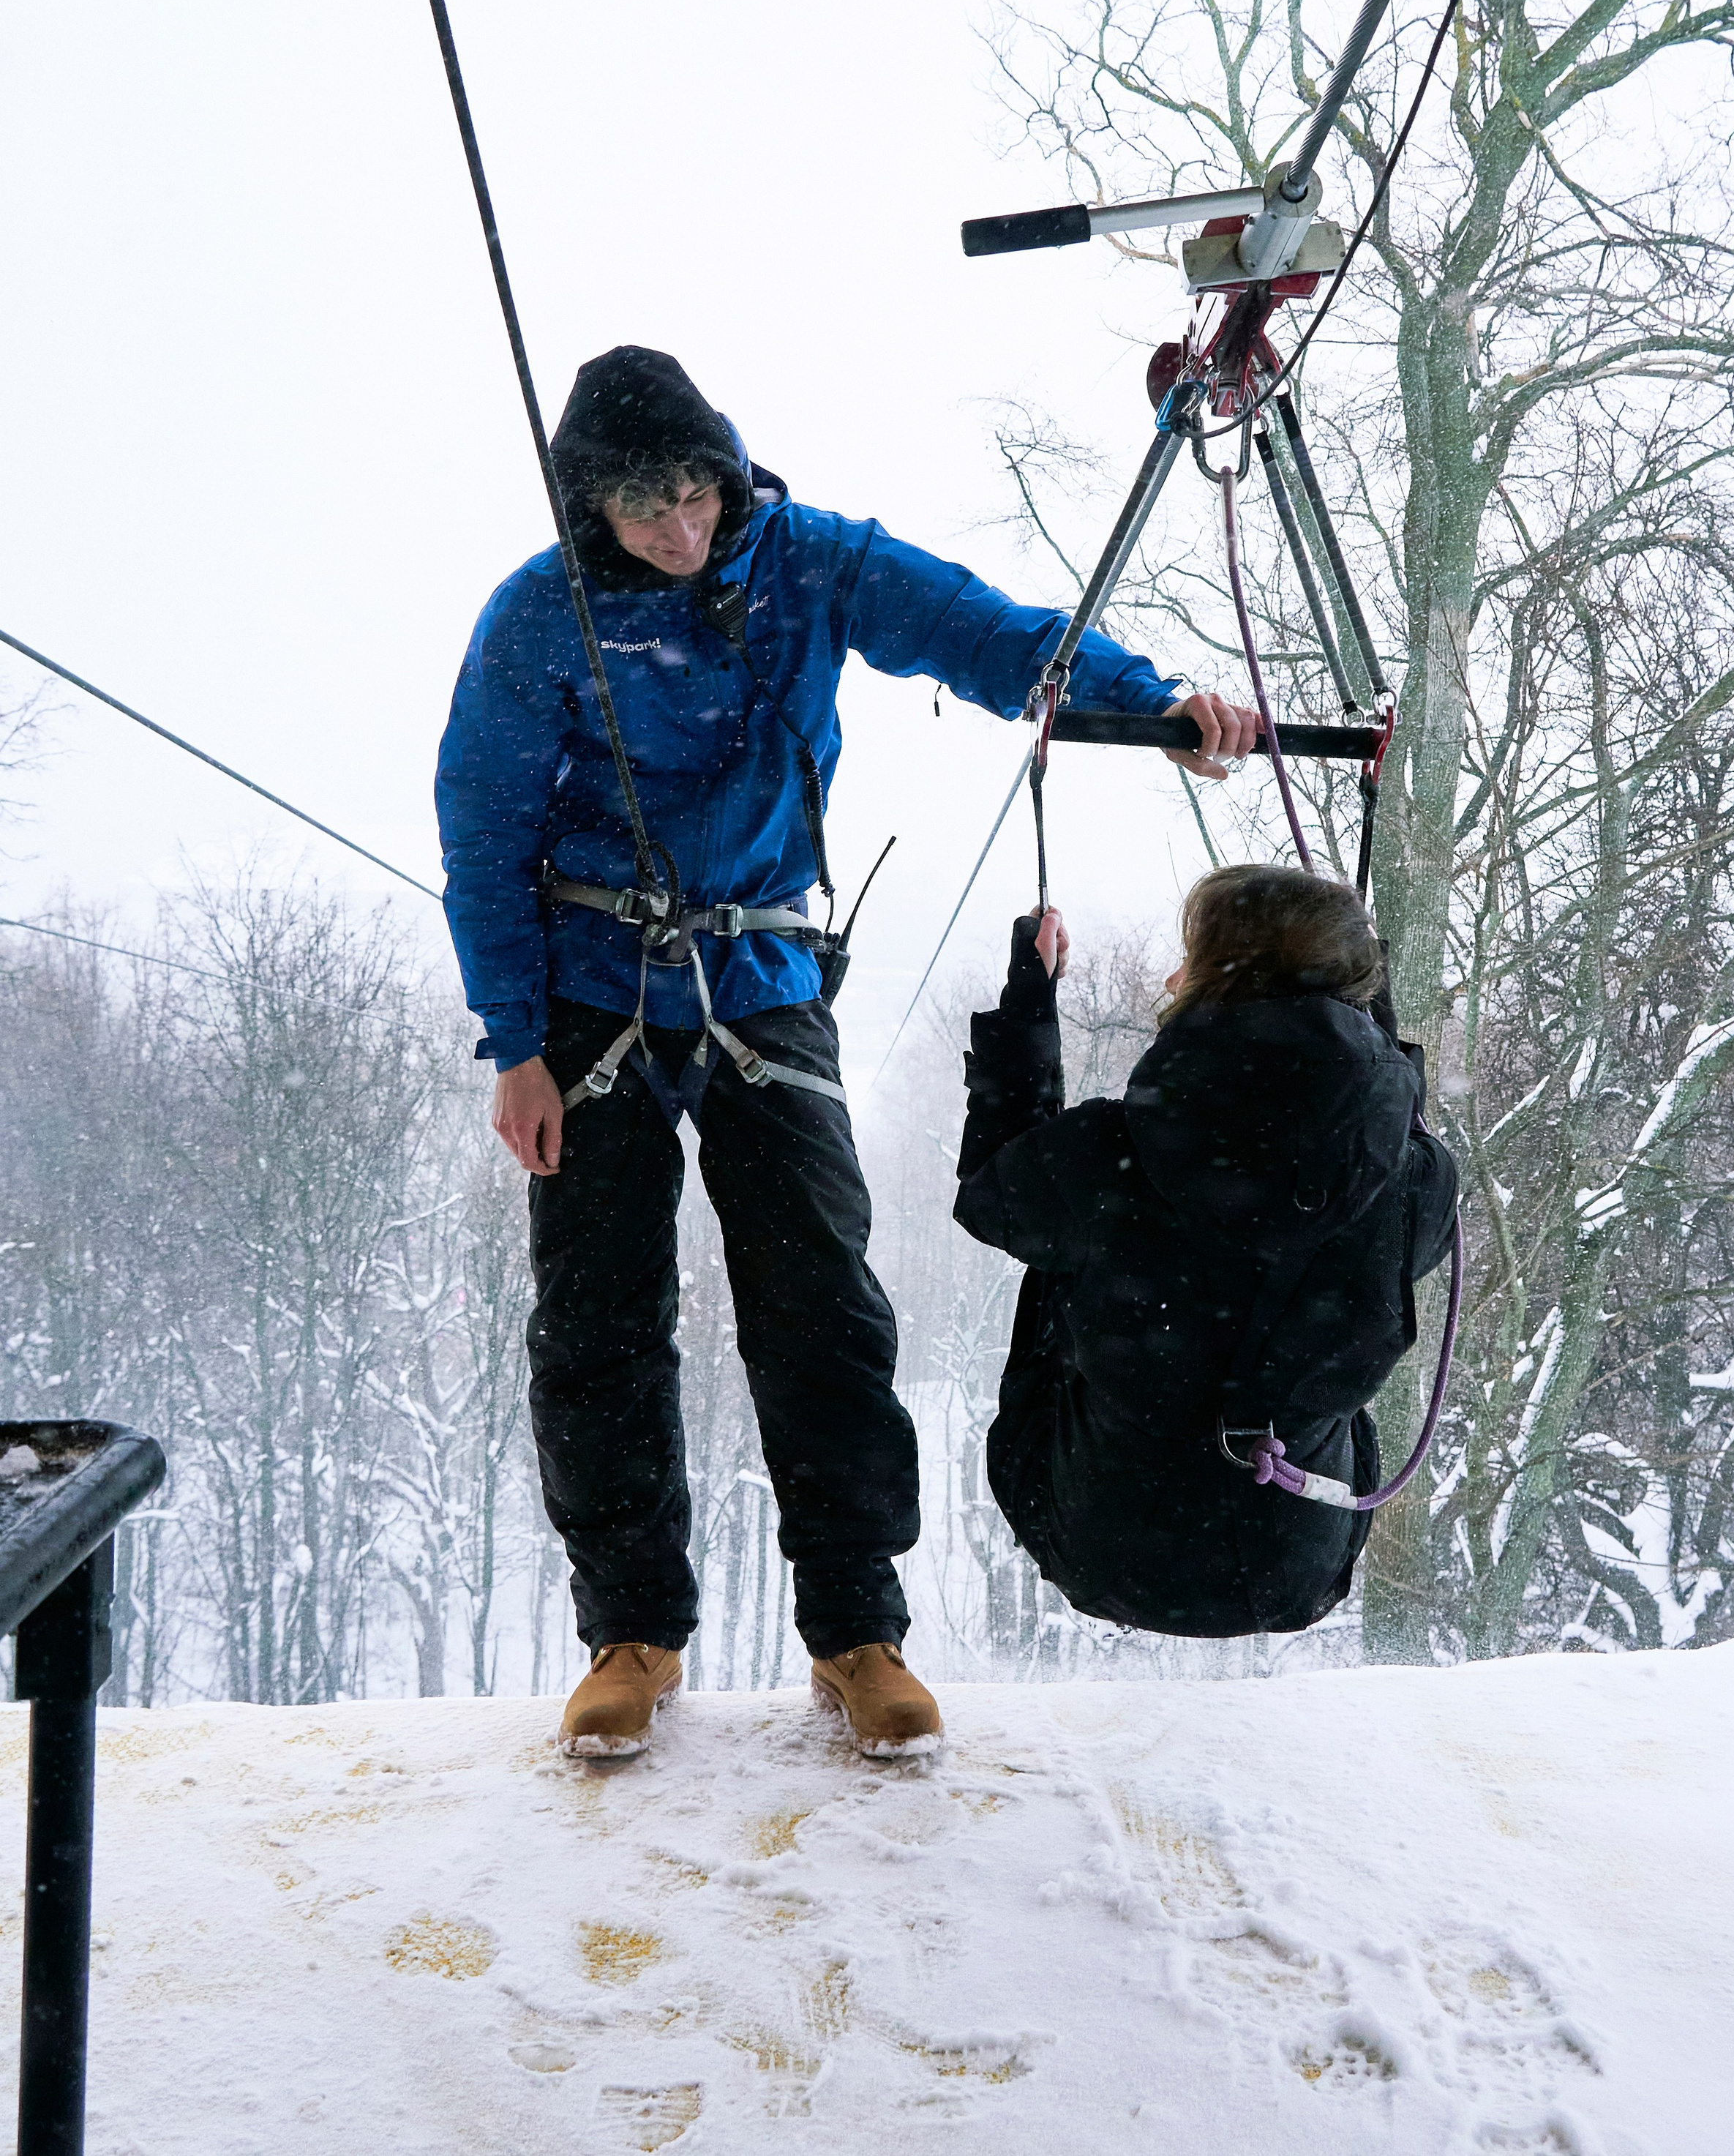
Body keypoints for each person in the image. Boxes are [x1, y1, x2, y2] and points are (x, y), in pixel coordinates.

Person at [435, 344, 1257, 1756]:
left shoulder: (808, 560)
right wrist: (514, 1043)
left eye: (695, 490)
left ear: (724, 466)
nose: (683, 529)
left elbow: (988, 635)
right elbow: (483, 831)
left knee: (821, 1295)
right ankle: (632, 1629)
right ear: (593, 511)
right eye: (645, 509)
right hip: (587, 989)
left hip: (760, 970)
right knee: (598, 1314)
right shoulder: (538, 621)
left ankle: (856, 1625)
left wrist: (1146, 701)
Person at [953, 865, 1459, 1637]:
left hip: (1102, 1546)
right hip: (1296, 1561)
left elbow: (989, 1195)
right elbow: (1379, 1138)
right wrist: (1364, 1025)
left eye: (1189, 956)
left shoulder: (1106, 1153)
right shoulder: (1416, 1181)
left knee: (1059, 1248)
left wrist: (1030, 1001)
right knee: (1352, 1281)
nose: (1167, 975)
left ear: (1215, 978)